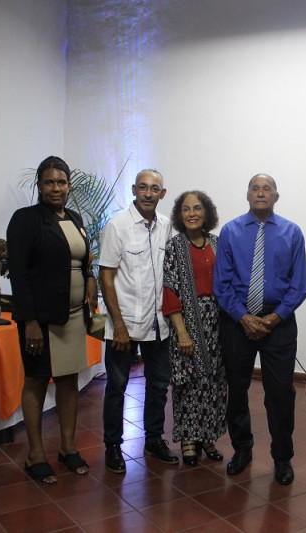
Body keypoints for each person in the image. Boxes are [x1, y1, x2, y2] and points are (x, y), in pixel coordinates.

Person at [213, 173, 306, 485]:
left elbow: (299, 286)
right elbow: (222, 284)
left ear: (276, 197)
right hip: (237, 322)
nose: (261, 193)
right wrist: (243, 317)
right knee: (237, 389)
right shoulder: (230, 231)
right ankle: (242, 448)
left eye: (267, 189)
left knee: (280, 394)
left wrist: (275, 317)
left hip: (278, 324)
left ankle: (282, 458)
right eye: (255, 188)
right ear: (248, 195)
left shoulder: (292, 233)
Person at [7, 155, 97, 483]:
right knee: (35, 380)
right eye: (49, 182)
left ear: (69, 185)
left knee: (69, 380)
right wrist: (29, 320)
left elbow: (83, 258)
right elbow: (19, 273)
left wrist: (90, 277)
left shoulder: (73, 217)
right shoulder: (26, 220)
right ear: (39, 186)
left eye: (61, 182)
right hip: (41, 319)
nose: (55, 188)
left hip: (72, 316)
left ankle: (68, 448)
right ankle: (34, 455)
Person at [99, 169, 177, 474]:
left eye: (154, 188)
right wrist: (118, 325)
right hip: (125, 325)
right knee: (117, 386)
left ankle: (154, 440)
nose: (148, 193)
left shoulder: (168, 227)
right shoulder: (117, 227)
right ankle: (112, 446)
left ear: (162, 193)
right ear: (134, 190)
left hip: (159, 324)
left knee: (158, 385)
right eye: (143, 188)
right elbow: (106, 276)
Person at [162, 191, 227, 466]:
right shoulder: (175, 246)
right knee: (187, 383)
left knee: (213, 382)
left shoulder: (217, 243)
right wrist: (182, 332)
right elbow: (169, 291)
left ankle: (207, 435)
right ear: (180, 214)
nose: (191, 213)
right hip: (187, 323)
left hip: (217, 324)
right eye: (186, 209)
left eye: (197, 208)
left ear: (206, 213)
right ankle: (188, 438)